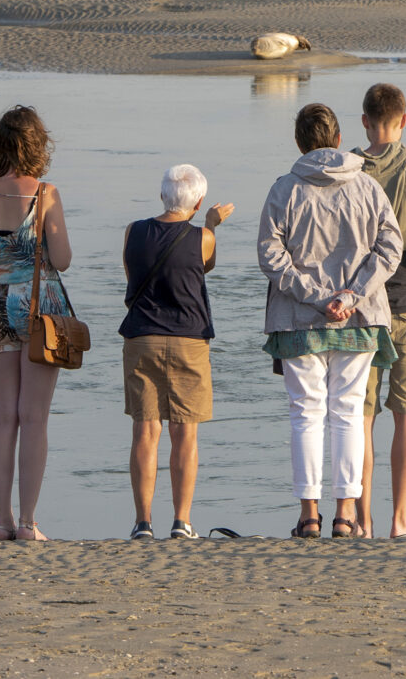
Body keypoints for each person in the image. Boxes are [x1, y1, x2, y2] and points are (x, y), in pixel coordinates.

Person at [256, 102, 401, 539]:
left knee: (306, 413)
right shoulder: (368, 187)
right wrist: (350, 295)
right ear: (338, 139)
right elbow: (390, 248)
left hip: (300, 319)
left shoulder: (284, 189)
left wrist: (318, 297)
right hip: (357, 320)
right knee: (348, 412)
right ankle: (344, 515)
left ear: (300, 142)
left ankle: (308, 515)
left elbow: (270, 255)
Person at [0, 105, 74, 542]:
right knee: (35, 417)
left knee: (4, 416)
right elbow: (62, 260)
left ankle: (1, 521)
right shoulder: (45, 193)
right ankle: (28, 522)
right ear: (38, 145)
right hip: (40, 309)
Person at [340, 81, 406, 540]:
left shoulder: (347, 170)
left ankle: (360, 521)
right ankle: (399, 520)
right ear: (404, 119)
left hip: (362, 307)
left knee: (362, 416)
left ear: (364, 120)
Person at [119, 163, 234, 541]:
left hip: (142, 337)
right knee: (185, 434)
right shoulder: (202, 236)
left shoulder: (133, 232)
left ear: (162, 195)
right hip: (188, 339)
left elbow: (131, 276)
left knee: (145, 430)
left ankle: (142, 522)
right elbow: (204, 265)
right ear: (198, 201)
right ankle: (182, 522)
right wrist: (212, 225)